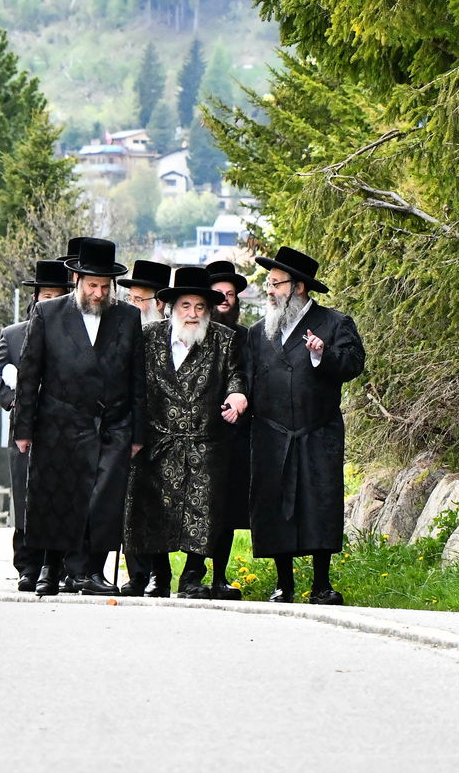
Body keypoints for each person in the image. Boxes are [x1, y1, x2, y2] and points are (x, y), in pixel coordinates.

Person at [14, 235, 144, 597]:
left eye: (105, 286)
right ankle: (51, 568)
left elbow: (138, 379)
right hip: (59, 421)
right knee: (58, 497)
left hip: (111, 424)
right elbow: (29, 374)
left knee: (103, 500)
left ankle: (91, 571)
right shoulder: (49, 313)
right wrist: (23, 428)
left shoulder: (127, 317)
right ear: (77, 281)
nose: (99, 293)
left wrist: (137, 433)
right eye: (92, 285)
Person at [244, 246, 365, 604]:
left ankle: (322, 584)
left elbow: (354, 364)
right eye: (268, 283)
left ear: (298, 287)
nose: (269, 290)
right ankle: (284, 584)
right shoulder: (257, 332)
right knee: (274, 503)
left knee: (320, 503)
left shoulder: (334, 322)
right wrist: (237, 397)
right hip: (270, 432)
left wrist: (322, 353)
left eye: (276, 283)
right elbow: (244, 376)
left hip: (318, 430)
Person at [124, 266, 246, 600]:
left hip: (205, 444)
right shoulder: (147, 338)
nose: (192, 314)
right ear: (171, 306)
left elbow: (236, 376)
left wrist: (238, 395)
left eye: (200, 307)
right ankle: (158, 576)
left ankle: (193, 577)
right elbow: (132, 386)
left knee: (203, 512)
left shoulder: (224, 340)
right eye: (186, 306)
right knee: (151, 510)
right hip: (156, 442)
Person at [0, 257, 70, 590]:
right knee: (25, 497)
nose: (49, 302)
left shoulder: (73, 337)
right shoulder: (14, 335)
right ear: (35, 299)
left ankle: (56, 565)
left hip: (63, 430)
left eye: (56, 295)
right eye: (44, 296)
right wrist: (13, 400)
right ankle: (27, 566)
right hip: (26, 430)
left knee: (61, 496)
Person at [116, 257, 171, 593]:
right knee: (132, 505)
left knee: (159, 506)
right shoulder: (124, 332)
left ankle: (159, 574)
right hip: (131, 429)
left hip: (167, 431)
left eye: (141, 300)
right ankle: (137, 574)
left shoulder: (173, 333)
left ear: (160, 303)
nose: (134, 306)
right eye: (131, 299)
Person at [202, 258, 251, 598]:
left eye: (230, 294)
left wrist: (242, 402)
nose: (223, 300)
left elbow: (253, 381)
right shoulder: (192, 333)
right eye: (217, 293)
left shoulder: (247, 337)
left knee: (225, 511)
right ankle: (174, 577)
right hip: (196, 433)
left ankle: (218, 577)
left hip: (234, 438)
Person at [119, 257, 171, 329]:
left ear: (159, 303)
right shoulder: (118, 330)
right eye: (129, 298)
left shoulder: (173, 335)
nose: (130, 305)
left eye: (137, 299)